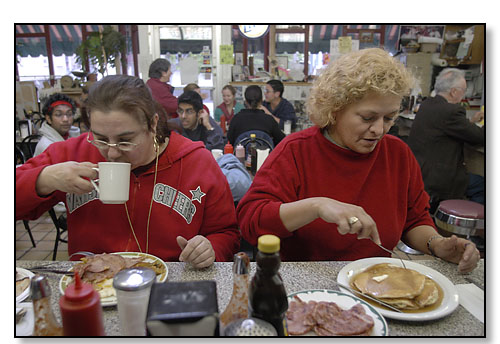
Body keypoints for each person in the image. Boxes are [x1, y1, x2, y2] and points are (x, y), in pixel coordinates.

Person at [237, 48, 480, 273]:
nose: (379, 130)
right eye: (367, 117)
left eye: (389, 118)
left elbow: (414, 219)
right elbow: (251, 221)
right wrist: (317, 206)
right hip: (307, 283)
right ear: (335, 109)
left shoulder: (398, 154)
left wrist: (436, 244)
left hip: (374, 281)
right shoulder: (296, 151)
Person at [16, 75, 239, 268]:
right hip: (91, 289)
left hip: (169, 288)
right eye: (101, 139)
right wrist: (45, 178)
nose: (111, 153)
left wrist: (211, 249)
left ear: (152, 125)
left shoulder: (196, 161)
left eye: (125, 141)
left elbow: (227, 233)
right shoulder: (71, 154)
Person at [408, 68, 485, 213]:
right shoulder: (452, 111)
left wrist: (470, 122)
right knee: (483, 185)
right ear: (454, 92)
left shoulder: (427, 104)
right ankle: (476, 229)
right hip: (439, 179)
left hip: (420, 171)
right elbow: (479, 137)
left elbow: (448, 126)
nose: (464, 94)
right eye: (463, 90)